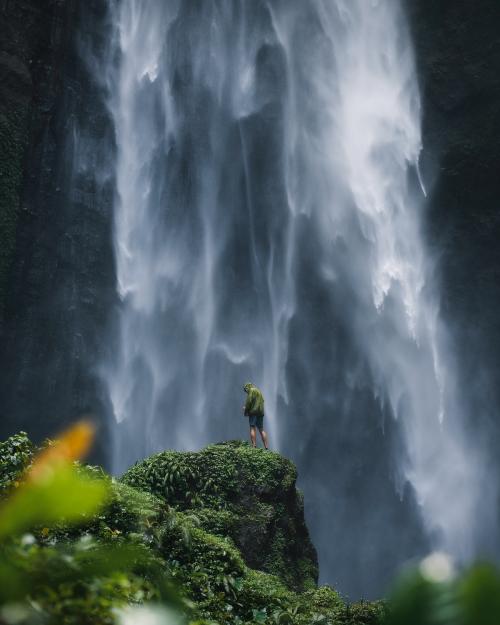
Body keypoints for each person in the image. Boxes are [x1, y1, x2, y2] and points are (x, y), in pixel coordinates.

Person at [242, 382, 269, 449]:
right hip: (260, 412)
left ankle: (254, 445)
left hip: (253, 412)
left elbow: (249, 402)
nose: (246, 392)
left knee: (252, 427)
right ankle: (266, 446)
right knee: (261, 429)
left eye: (246, 390)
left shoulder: (251, 390)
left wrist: (246, 411)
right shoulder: (259, 391)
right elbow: (263, 400)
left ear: (247, 387)